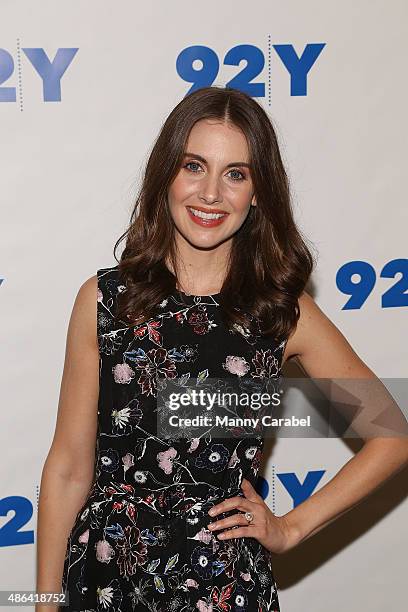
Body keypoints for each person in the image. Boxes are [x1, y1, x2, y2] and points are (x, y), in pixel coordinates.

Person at [36, 86, 408, 612]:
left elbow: (392, 435)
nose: (211, 193)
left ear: (258, 192)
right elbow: (69, 467)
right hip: (105, 582)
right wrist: (45, 603)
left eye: (236, 173)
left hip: (224, 588)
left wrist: (292, 527)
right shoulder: (104, 300)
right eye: (194, 166)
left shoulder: (280, 314)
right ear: (166, 174)